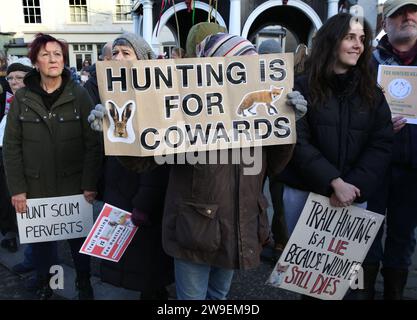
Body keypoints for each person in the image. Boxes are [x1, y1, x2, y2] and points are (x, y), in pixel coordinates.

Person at [88, 25, 308, 300]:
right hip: (194, 229)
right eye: (241, 66)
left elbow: (274, 167)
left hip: (238, 224)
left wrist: (287, 124)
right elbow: (142, 163)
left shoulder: (257, 113)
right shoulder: (183, 111)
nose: (250, 75)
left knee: (218, 297)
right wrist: (115, 132)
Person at [277, 13, 393, 299]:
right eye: (350, 37)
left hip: (354, 194)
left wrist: (350, 187)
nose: (358, 45)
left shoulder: (372, 94)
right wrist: (332, 182)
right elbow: (297, 141)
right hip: (307, 195)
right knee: (313, 286)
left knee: (349, 283)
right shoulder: (300, 88)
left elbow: (381, 145)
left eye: (362, 39)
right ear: (332, 41)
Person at [3, 33, 101, 300]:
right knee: (44, 246)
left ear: (64, 59)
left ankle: (83, 282)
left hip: (74, 187)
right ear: (36, 62)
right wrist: (18, 190)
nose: (53, 59)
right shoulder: (22, 99)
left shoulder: (79, 94)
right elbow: (11, 148)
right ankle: (49, 283)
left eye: (57, 54)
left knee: (78, 243)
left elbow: (93, 144)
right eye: (45, 54)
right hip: (35, 188)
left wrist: (90, 184)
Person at [90, 33, 174, 300]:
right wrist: (99, 126)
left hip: (143, 194)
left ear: (142, 58)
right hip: (119, 190)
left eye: (126, 53)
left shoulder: (156, 94)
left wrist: (144, 200)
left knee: (148, 267)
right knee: (130, 261)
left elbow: (159, 157)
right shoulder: (109, 91)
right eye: (115, 53)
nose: (118, 58)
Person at [364, 0, 417, 300]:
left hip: (413, 165)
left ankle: (394, 293)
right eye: (398, 14)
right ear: (386, 24)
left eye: (412, 12)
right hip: (374, 164)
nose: (407, 17)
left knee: (403, 237)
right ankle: (365, 291)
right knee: (366, 233)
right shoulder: (368, 62)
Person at [0, 58, 33, 253]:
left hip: (23, 164)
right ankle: (11, 236)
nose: (13, 81)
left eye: (19, 78)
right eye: (11, 78)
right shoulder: (9, 100)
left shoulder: (31, 102)